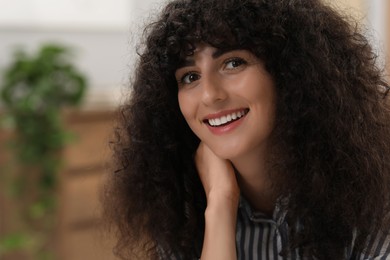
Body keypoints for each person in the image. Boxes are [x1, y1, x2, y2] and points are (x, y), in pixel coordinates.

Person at [102, 0, 390, 259]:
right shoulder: (182, 209)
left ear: (291, 72)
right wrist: (220, 206)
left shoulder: (373, 202)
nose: (209, 95)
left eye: (233, 63)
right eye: (190, 76)